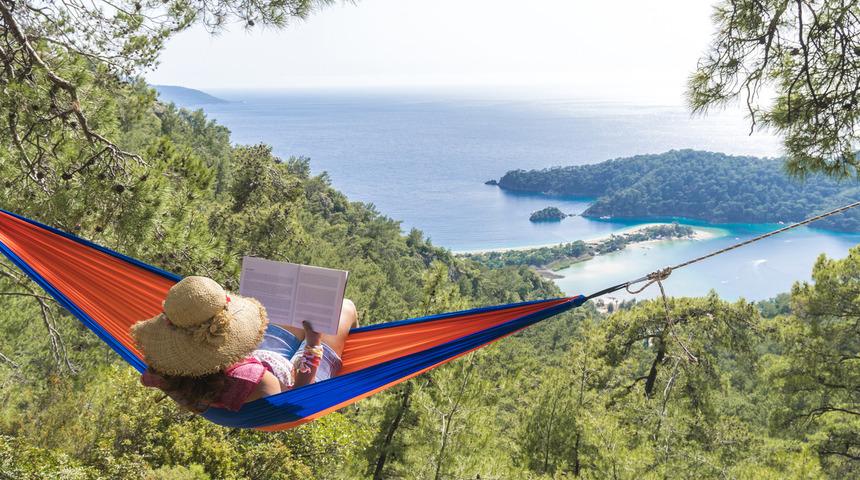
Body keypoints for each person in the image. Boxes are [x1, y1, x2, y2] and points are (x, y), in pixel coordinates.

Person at [131, 276, 357, 413]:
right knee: (346, 307)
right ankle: (354, 372)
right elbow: (295, 398)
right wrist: (313, 346)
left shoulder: (164, 369)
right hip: (301, 375)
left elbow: (150, 379)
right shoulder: (252, 380)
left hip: (260, 357)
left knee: (303, 312)